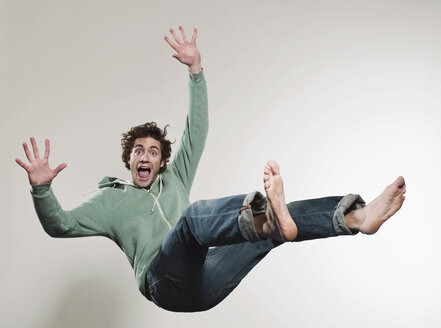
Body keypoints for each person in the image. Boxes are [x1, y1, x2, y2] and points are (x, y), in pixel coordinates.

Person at [16, 27, 406, 312]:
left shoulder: (175, 177)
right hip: (163, 282)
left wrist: (196, 71)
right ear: (130, 161)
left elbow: (196, 128)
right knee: (193, 220)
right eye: (138, 151)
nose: (145, 156)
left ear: (163, 161)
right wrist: (41, 189)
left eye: (153, 151)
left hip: (207, 283)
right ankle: (267, 216)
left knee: (268, 233)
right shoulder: (109, 200)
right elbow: (60, 225)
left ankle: (356, 217)